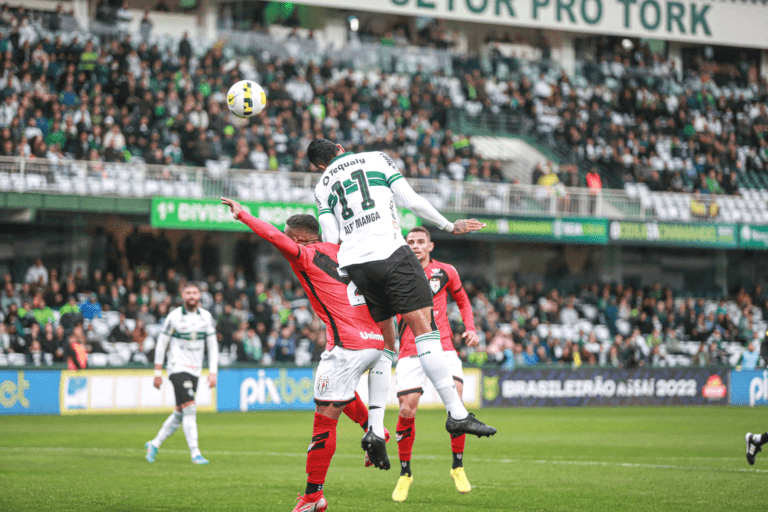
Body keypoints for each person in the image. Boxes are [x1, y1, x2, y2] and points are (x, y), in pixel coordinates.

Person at [309, 138, 496, 442]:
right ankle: (457, 414)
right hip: (391, 253)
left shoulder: (321, 186)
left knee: (386, 343)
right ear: (340, 148)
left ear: (319, 165)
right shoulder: (377, 159)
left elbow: (330, 237)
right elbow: (411, 201)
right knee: (425, 328)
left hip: (356, 265)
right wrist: (449, 226)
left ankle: (374, 429)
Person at [221, 198, 395, 512]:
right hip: (374, 341)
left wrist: (243, 214)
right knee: (339, 397)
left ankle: (313, 497)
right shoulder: (342, 250)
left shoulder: (306, 255)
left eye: (291, 235)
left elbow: (274, 237)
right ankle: (375, 427)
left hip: (348, 346)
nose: (286, 240)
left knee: (323, 423)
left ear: (299, 237)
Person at [391, 227, 478, 501]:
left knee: (458, 399)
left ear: (430, 246)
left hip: (444, 346)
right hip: (409, 349)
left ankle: (458, 466)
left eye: (420, 242)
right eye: (411, 242)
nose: (415, 246)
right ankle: (405, 473)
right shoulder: (396, 273)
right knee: (407, 409)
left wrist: (471, 327)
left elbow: (462, 299)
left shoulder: (446, 272)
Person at [145, 283, 217, 465]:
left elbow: (213, 346)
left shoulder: (206, 317)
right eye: (188, 293)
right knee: (190, 408)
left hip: (195, 369)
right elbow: (161, 344)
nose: (192, 296)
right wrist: (157, 372)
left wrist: (213, 372)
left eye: (195, 292)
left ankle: (154, 444)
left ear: (200, 295)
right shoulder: (174, 317)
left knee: (180, 412)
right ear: (182, 296)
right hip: (177, 367)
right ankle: (195, 453)